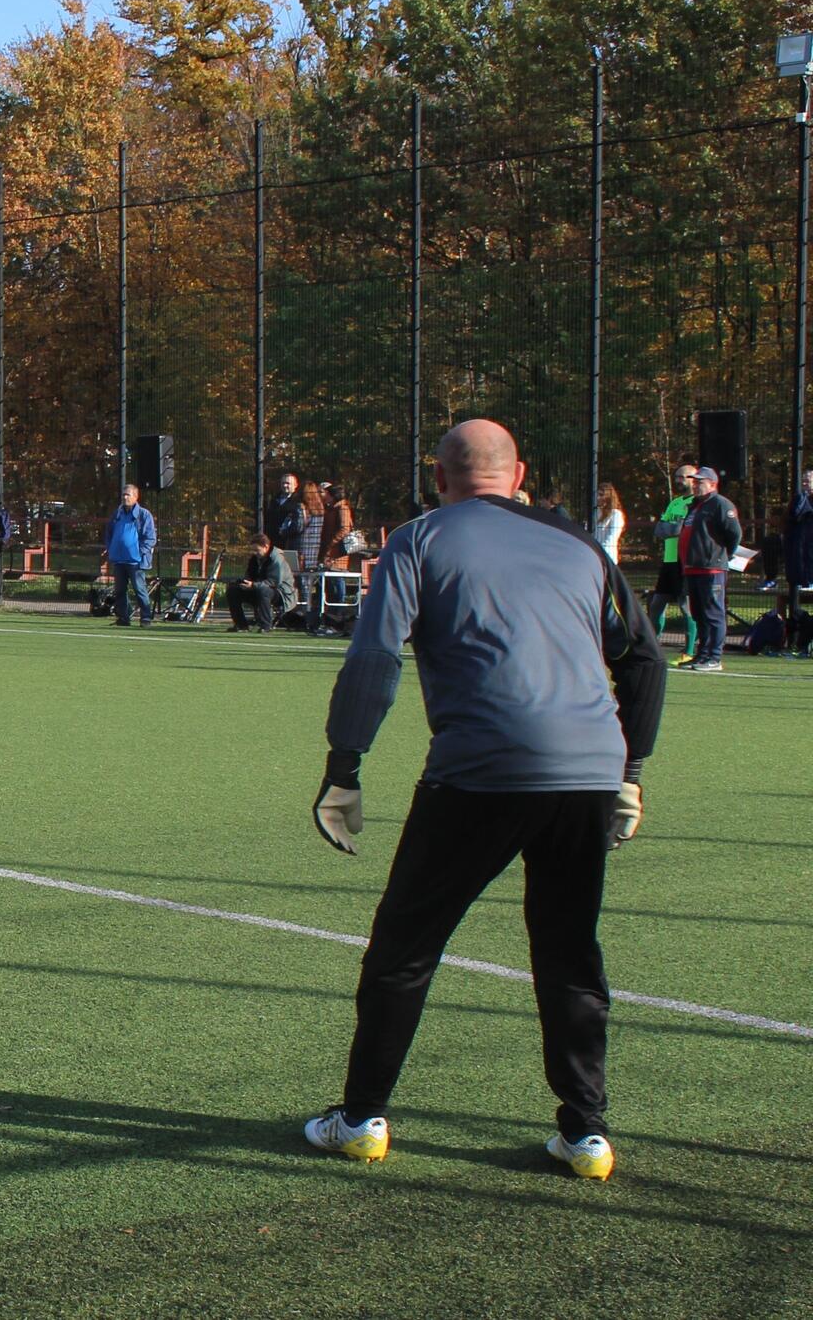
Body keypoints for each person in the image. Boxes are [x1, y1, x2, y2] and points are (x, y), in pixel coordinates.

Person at [305, 419, 661, 1182]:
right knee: (569, 948)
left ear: (438, 479)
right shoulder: (580, 543)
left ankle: (361, 1118)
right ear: (519, 474)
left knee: (404, 948)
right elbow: (644, 660)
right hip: (588, 773)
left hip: (480, 769)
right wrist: (632, 768)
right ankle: (587, 1132)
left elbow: (375, 656)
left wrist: (344, 764)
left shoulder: (418, 540)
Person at [677, 466, 741, 673]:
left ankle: (714, 657)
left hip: (711, 569)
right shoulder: (695, 505)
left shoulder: (720, 504)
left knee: (713, 614)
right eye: (694, 482)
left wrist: (719, 555)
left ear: (713, 484)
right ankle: (702, 654)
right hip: (693, 568)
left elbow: (734, 534)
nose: (696, 485)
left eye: (700, 482)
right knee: (699, 614)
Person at [644, 464, 698, 660]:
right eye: (677, 477)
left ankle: (688, 651)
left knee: (686, 606)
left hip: (684, 561)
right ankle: (652, 649)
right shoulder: (674, 503)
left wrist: (673, 528)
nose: (678, 481)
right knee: (657, 604)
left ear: (694, 479)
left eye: (682, 477)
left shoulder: (695, 503)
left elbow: (676, 530)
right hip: (669, 561)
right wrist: (673, 528)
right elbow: (660, 530)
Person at [105, 484, 157, 628]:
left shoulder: (144, 515)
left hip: (136, 561)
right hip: (119, 559)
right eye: (123, 494)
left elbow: (150, 538)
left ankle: (145, 618)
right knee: (120, 591)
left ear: (136, 497)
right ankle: (123, 618)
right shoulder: (117, 514)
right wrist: (111, 548)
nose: (124, 497)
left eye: (128, 494)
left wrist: (139, 552)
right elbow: (109, 533)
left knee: (140, 589)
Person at [227, 533, 285, 632]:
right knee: (233, 590)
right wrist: (244, 583)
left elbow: (274, 582)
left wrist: (254, 585)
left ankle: (265, 626)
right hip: (257, 588)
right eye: (253, 550)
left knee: (264, 591)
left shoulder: (276, 559)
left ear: (266, 547)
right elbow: (249, 576)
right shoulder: (254, 559)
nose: (255, 553)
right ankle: (241, 625)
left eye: (257, 550)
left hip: (280, 593)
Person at [295, 481, 330, 632]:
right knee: (315, 581)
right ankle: (316, 611)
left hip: (304, 546)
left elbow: (299, 527)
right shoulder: (321, 510)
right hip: (316, 548)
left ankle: (305, 612)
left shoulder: (302, 508)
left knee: (303, 581)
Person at [785, 471, 813, 639]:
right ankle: (794, 637)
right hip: (799, 554)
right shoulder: (798, 500)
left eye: (808, 481)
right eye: (803, 481)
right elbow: (792, 517)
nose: (805, 484)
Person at [265, 472, 302, 546]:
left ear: (295, 485)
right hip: (273, 540)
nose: (285, 485)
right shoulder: (274, 500)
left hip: (290, 542)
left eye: (288, 483)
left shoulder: (298, 501)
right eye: (283, 483)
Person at [592, 483, 625, 564]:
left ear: (608, 497)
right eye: (597, 494)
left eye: (601, 495)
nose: (597, 497)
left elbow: (611, 539)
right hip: (594, 556)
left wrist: (599, 553)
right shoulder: (596, 513)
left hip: (607, 558)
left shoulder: (616, 514)